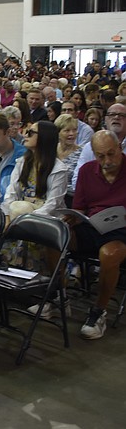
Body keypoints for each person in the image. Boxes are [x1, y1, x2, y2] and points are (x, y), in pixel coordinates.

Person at [69, 130, 126, 340]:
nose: (107, 161)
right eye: (101, 156)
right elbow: (80, 208)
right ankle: (57, 295)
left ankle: (99, 310)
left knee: (109, 254)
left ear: (120, 148)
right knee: (57, 234)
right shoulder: (86, 171)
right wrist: (73, 219)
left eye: (111, 154)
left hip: (121, 231)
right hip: (93, 225)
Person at [71, 102, 126, 191]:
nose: (116, 117)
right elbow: (77, 181)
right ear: (105, 120)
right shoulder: (90, 147)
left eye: (122, 115)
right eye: (112, 114)